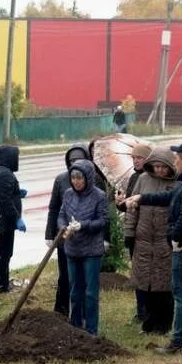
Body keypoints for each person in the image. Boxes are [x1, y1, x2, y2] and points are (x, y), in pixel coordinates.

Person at [126, 140, 182, 355]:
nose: (174, 160)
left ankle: (178, 342)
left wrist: (174, 238)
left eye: (177, 157)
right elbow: (168, 197)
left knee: (181, 296)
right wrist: (141, 197)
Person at [127, 148, 177, 334]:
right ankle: (148, 323)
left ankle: (163, 324)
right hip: (143, 240)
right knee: (144, 284)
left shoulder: (176, 183)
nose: (159, 170)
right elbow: (133, 207)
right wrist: (129, 233)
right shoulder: (143, 180)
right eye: (155, 166)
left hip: (165, 241)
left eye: (163, 167)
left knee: (163, 285)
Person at [58, 159, 108, 335]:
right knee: (74, 291)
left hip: (91, 250)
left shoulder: (99, 196)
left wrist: (83, 225)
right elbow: (62, 214)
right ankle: (75, 326)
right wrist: (63, 227)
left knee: (90, 292)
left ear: (88, 177)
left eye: (80, 178)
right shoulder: (68, 194)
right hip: (73, 248)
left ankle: (92, 330)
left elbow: (102, 221)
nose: (76, 181)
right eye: (73, 178)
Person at [47, 144, 94, 315]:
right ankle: (61, 309)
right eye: (72, 160)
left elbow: (103, 213)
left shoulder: (95, 181)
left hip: (88, 238)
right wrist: (50, 234)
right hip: (65, 236)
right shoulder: (61, 180)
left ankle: (81, 312)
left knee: (84, 278)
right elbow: (53, 208)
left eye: (79, 159)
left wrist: (105, 238)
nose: (75, 162)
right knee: (65, 276)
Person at [116, 142, 152, 321]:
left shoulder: (151, 179)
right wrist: (120, 202)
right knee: (137, 273)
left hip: (146, 231)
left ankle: (149, 311)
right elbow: (128, 207)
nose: (136, 161)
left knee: (148, 273)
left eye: (139, 158)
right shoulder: (133, 178)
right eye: (134, 158)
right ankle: (141, 311)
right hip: (133, 231)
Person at [0, 144, 24, 293]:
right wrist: (17, 218)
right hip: (5, 221)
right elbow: (6, 201)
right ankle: (0, 286)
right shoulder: (6, 174)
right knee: (4, 253)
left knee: (0, 253)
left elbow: (3, 194)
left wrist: (17, 193)